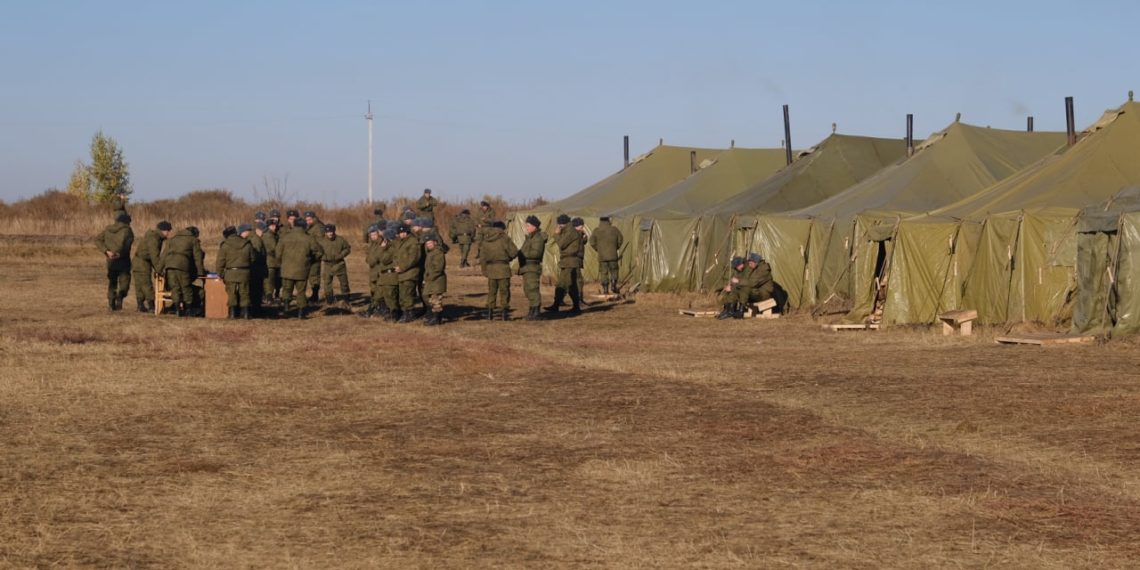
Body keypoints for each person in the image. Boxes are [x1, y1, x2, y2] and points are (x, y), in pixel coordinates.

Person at [276, 218, 321, 318]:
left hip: (287, 269)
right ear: (304, 226)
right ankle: (301, 313)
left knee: (287, 290)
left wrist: (281, 264)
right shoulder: (309, 238)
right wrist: (310, 261)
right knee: (301, 291)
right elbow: (318, 252)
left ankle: (286, 309)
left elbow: (278, 253)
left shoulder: (285, 237)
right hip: (302, 269)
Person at [158, 226, 206, 317]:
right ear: (195, 234)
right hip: (182, 265)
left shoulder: (172, 239)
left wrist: (159, 269)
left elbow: (164, 255)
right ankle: (188, 310)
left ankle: (177, 310)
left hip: (169, 266)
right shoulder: (193, 240)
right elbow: (197, 257)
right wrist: (200, 272)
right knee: (186, 288)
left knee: (175, 288)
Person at [94, 212, 135, 311]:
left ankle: (111, 303)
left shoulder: (108, 230)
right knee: (125, 282)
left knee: (112, 282)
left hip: (110, 261)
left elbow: (97, 240)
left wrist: (106, 251)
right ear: (127, 222)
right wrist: (119, 254)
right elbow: (127, 246)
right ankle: (120, 296)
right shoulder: (128, 231)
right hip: (123, 261)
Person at [215, 224, 256, 319]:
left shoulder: (225, 245)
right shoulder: (247, 244)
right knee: (244, 292)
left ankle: (232, 314)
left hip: (231, 272)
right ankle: (245, 313)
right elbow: (252, 258)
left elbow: (220, 261)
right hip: (244, 272)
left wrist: (220, 273)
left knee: (231, 293)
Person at [480, 220, 518, 321]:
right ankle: (504, 314)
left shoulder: (486, 239)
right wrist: (508, 258)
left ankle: (490, 313)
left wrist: (484, 271)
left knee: (491, 291)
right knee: (504, 291)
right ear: (502, 228)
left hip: (491, 269)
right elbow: (514, 252)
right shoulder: (505, 238)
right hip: (503, 268)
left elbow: (482, 257)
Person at [545, 214, 583, 314]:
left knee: (562, 284)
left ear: (562, 224)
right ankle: (576, 307)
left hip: (569, 262)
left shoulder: (570, 232)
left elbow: (562, 244)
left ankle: (556, 305)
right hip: (568, 262)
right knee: (572, 286)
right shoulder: (568, 231)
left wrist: (556, 234)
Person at [131, 220, 171, 313]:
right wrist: (158, 269)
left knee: (140, 284)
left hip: (140, 261)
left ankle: (140, 305)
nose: (169, 233)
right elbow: (154, 256)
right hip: (142, 262)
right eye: (168, 231)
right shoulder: (154, 239)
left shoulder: (156, 237)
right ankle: (151, 306)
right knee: (145, 284)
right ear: (162, 231)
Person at [517, 215, 547, 321]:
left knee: (533, 289)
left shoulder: (538, 238)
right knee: (528, 290)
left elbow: (536, 253)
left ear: (534, 226)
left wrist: (522, 253)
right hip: (527, 267)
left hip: (532, 267)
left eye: (528, 225)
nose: (527, 227)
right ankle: (532, 310)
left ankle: (536, 312)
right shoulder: (530, 237)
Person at [392, 224, 423, 323]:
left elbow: (413, 258)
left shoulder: (413, 242)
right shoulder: (400, 242)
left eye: (404, 232)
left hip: (409, 272)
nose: (402, 234)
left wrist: (402, 267)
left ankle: (409, 313)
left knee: (407, 294)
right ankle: (405, 312)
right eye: (400, 233)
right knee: (402, 294)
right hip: (401, 273)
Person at [315, 223, 351, 306]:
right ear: (325, 232)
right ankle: (329, 300)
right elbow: (317, 252)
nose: (330, 233)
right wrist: (324, 257)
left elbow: (347, 248)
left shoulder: (340, 240)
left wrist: (341, 255)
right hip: (327, 265)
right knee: (327, 283)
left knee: (344, 283)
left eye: (331, 231)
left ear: (334, 231)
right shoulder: (321, 241)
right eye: (328, 232)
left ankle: (346, 300)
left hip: (340, 264)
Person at [589, 215, 624, 295]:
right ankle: (613, 284)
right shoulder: (614, 229)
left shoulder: (596, 230)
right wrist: (616, 247)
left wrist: (598, 249)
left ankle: (605, 290)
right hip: (613, 255)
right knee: (614, 270)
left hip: (602, 256)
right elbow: (621, 239)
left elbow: (592, 242)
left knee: (603, 272)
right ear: (608, 220)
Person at [361, 225, 387, 318]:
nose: (373, 237)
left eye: (374, 234)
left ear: (378, 234)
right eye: (371, 235)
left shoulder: (382, 243)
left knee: (379, 293)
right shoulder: (372, 244)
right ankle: (378, 309)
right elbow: (369, 259)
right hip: (373, 272)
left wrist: (372, 259)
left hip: (379, 271)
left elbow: (376, 258)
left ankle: (372, 310)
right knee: (373, 291)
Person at [421, 233, 447, 325]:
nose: (428, 245)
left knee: (436, 299)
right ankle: (434, 317)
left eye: (430, 243)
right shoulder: (431, 253)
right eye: (427, 244)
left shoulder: (438, 253)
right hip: (431, 279)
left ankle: (436, 319)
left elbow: (438, 268)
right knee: (430, 298)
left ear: (435, 243)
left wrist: (429, 278)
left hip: (437, 280)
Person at [377, 226, 401, 321]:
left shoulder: (391, 248)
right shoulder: (391, 247)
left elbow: (384, 259)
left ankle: (394, 314)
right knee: (386, 296)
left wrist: (382, 248)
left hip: (390, 276)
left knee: (390, 296)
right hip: (386, 276)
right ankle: (390, 313)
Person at [303, 210, 326, 302]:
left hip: (315, 255)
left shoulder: (318, 227)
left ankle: (315, 295)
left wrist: (317, 254)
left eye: (309, 219)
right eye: (306, 220)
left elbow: (320, 242)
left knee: (314, 276)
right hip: (310, 254)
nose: (308, 221)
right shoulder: (311, 227)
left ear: (314, 218)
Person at [249, 222, 269, 314]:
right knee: (256, 290)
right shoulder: (256, 240)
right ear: (258, 230)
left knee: (257, 289)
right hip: (257, 269)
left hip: (256, 269)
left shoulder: (255, 238)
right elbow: (257, 255)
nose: (263, 233)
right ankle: (256, 309)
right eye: (262, 231)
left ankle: (256, 308)